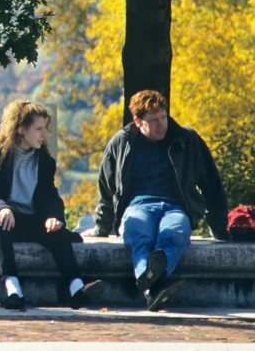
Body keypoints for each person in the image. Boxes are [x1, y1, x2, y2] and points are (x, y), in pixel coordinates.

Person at [82, 89, 229, 311]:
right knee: (139, 235)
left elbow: (212, 184)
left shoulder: (187, 139)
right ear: (137, 121)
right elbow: (106, 187)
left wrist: (220, 228)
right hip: (138, 206)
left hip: (176, 207)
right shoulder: (122, 142)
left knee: (174, 234)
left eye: (163, 117)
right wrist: (101, 227)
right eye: (153, 120)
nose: (161, 124)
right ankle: (156, 284)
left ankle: (149, 283)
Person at [0, 100, 104, 311]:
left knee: (59, 232)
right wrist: (2, 208)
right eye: (38, 129)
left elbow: (49, 195)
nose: (44, 134)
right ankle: (13, 288)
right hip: (1, 220)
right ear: (21, 129)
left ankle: (76, 288)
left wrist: (54, 216)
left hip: (29, 220)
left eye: (45, 128)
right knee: (1, 224)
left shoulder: (44, 160)